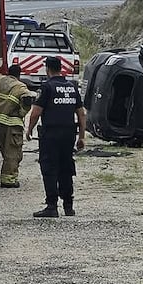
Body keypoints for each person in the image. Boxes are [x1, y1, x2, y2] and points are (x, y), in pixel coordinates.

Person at [25, 56, 86, 218]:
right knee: (66, 167)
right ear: (61, 69)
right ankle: (68, 205)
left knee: (49, 167)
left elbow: (36, 112)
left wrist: (29, 130)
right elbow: (81, 114)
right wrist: (81, 137)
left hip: (51, 134)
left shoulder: (47, 88)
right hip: (68, 134)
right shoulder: (72, 87)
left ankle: (52, 206)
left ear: (48, 69)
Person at [0, 65, 35, 188]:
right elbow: (27, 99)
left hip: (0, 122)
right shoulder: (20, 87)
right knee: (13, 153)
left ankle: (7, 176)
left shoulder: (0, 81)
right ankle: (9, 180)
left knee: (5, 151)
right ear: (19, 75)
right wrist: (22, 113)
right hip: (13, 124)